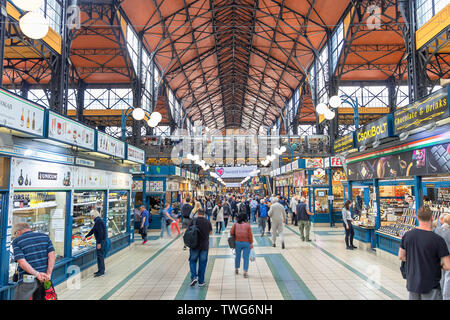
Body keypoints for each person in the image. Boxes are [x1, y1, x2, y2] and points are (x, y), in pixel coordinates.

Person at [399, 206, 450, 300]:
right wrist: (439, 265)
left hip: (413, 284)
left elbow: (401, 256)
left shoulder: (408, 235)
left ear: (417, 218)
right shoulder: (438, 239)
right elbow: (448, 265)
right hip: (431, 285)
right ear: (431, 218)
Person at [11, 222, 55, 300]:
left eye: (15, 233)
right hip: (45, 278)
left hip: (28, 280)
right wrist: (48, 273)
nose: (15, 235)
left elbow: (21, 262)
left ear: (18, 232)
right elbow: (52, 255)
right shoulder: (45, 237)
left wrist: (37, 274)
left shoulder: (17, 241)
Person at [188, 209, 212, 287]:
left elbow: (188, 231)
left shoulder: (193, 221)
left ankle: (193, 277)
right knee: (202, 263)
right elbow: (210, 232)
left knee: (192, 261)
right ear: (204, 214)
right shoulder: (207, 222)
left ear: (197, 214)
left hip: (194, 245)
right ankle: (201, 281)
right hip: (204, 246)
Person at [230, 213, 254, 278]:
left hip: (237, 242)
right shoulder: (247, 225)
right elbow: (250, 235)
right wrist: (251, 243)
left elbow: (231, 232)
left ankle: (236, 269)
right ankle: (245, 272)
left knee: (237, 256)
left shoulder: (235, 225)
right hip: (246, 243)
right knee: (246, 257)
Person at [85, 208, 107, 277]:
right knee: (99, 256)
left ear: (93, 215)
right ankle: (100, 270)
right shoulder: (97, 220)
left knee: (100, 256)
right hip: (100, 241)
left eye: (91, 216)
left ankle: (101, 272)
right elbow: (93, 230)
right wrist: (86, 236)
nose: (91, 217)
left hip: (100, 241)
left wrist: (99, 243)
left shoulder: (98, 221)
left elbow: (100, 233)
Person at [433, 214, 450, 300]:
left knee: (441, 276)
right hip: (448, 258)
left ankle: (440, 293)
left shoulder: (437, 230)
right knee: (448, 277)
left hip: (438, 257)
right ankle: (446, 296)